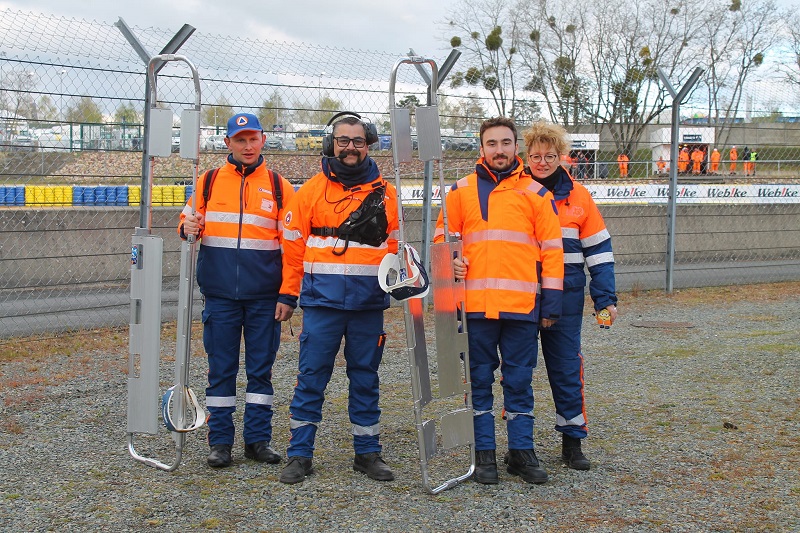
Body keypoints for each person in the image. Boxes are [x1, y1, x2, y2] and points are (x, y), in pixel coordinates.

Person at [433, 117, 564, 485]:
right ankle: (484, 456)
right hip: (474, 308)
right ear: (482, 148)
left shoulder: (537, 195)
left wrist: (551, 306)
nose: (500, 150)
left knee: (519, 382)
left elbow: (553, 253)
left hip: (521, 308)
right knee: (478, 381)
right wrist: (450, 259)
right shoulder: (459, 191)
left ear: (516, 147)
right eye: (492, 143)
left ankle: (521, 453)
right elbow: (442, 239)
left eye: (506, 143)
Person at [275, 114, 400, 485]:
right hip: (321, 305)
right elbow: (293, 248)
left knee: (366, 378)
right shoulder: (310, 191)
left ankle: (367, 453)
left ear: (369, 144)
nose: (350, 147)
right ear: (331, 144)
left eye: (358, 141)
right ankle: (300, 455)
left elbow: (395, 249)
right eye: (343, 140)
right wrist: (288, 294)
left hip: (367, 306)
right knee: (311, 378)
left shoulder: (387, 194)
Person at [178, 113, 296, 468]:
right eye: (239, 140)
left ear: (263, 140)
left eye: (253, 139)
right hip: (220, 296)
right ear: (227, 143)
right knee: (221, 369)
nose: (247, 146)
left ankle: (257, 441)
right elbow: (185, 226)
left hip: (265, 299)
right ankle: (220, 443)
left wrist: (288, 294)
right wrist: (189, 227)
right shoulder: (208, 181)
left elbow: (292, 246)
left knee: (261, 372)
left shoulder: (279, 186)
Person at [522, 121, 618, 472]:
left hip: (566, 297)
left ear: (561, 156)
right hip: (523, 296)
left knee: (565, 368)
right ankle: (522, 444)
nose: (543, 162)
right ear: (526, 156)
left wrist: (605, 298)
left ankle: (572, 441)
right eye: (535, 156)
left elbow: (600, 251)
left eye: (550, 156)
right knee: (518, 370)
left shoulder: (579, 197)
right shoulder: (514, 192)